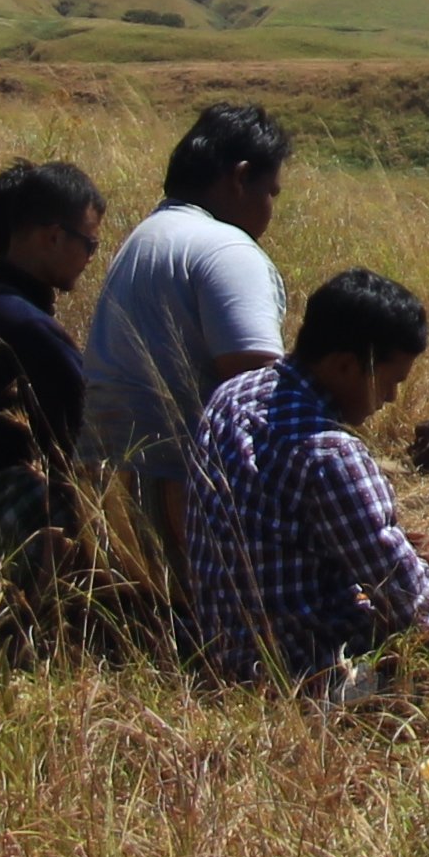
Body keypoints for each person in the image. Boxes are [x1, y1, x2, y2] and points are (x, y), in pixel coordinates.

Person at [184, 267, 429, 685]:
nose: (393, 397)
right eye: (390, 381)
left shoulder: (233, 395)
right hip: (311, 674)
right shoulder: (329, 453)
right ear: (346, 365)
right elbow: (410, 599)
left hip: (227, 650)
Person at [79, 103, 289, 549]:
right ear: (240, 177)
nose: (270, 209)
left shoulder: (148, 237)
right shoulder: (228, 249)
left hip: (105, 501)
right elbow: (262, 396)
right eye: (271, 192)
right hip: (180, 502)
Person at [0, 158, 103, 576]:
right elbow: (88, 433)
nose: (90, 258)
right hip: (14, 507)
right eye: (89, 244)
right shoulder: (29, 325)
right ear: (53, 237)